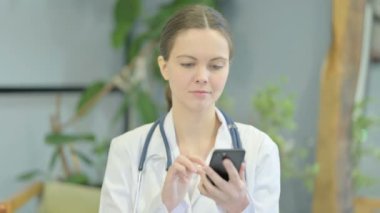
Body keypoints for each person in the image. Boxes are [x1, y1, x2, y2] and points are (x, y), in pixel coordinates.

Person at [99, 4, 280, 213]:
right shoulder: (127, 150)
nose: (202, 77)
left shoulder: (260, 148)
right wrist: (164, 205)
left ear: (228, 68)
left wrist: (238, 208)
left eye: (216, 66)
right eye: (187, 64)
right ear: (164, 67)